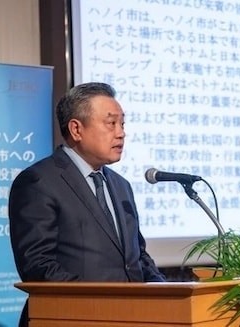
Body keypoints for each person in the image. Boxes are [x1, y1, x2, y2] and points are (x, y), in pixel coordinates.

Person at [8, 82, 165, 327]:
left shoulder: (121, 186)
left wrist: (166, 294)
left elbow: (138, 256)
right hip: (70, 319)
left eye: (122, 124)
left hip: (132, 318)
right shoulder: (38, 181)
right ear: (76, 129)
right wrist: (101, 306)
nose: (121, 132)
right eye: (111, 123)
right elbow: (38, 266)